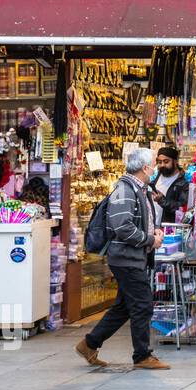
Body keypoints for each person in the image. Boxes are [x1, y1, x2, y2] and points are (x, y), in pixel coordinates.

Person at [75, 148, 170, 370]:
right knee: (143, 304)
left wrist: (154, 233)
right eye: (154, 164)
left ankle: (89, 344)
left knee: (124, 306)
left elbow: (138, 221)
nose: (155, 168)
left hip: (134, 257)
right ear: (145, 168)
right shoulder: (124, 190)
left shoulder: (140, 189)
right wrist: (149, 240)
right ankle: (142, 356)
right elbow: (122, 227)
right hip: (126, 258)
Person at [151, 145, 189, 224]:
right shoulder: (156, 176)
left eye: (166, 162)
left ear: (175, 162)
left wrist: (162, 200)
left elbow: (182, 208)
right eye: (160, 162)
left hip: (169, 228)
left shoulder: (183, 182)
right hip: (153, 225)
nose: (162, 165)